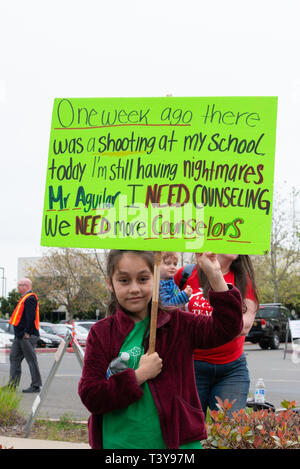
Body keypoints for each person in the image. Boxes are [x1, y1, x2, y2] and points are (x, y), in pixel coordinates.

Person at [78, 250, 243, 449]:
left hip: (178, 444)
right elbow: (92, 395)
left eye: (143, 278)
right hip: (120, 444)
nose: (134, 288)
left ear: (155, 279)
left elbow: (228, 327)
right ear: (109, 283)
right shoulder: (102, 333)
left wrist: (215, 275)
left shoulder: (179, 325)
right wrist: (137, 376)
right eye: (123, 280)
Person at [174, 254, 258, 417]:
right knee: (189, 430)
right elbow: (169, 310)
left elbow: (244, 326)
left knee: (230, 433)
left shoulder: (243, 279)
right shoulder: (185, 274)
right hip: (191, 366)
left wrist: (198, 327)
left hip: (232, 369)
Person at [7, 278, 42, 393]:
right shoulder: (24, 298)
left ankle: (36, 385)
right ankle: (12, 384)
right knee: (14, 358)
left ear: (26, 286)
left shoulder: (30, 298)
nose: (18, 287)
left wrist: (27, 332)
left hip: (27, 335)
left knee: (31, 360)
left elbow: (30, 317)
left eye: (20, 285)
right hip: (19, 335)